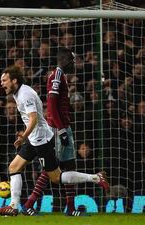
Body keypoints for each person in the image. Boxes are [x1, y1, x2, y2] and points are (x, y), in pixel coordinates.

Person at [0, 66, 109, 216]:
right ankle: (14, 206)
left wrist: (23, 136)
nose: (2, 83)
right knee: (13, 168)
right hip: (34, 139)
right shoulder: (18, 92)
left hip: (42, 140)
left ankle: (95, 178)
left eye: (4, 80)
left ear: (14, 80)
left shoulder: (24, 94)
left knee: (56, 177)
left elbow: (34, 118)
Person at [22, 48, 97, 216]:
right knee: (51, 169)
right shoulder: (56, 75)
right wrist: (61, 129)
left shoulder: (62, 76)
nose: (74, 63)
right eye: (72, 59)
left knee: (69, 165)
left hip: (64, 127)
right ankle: (28, 205)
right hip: (57, 128)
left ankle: (70, 208)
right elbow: (51, 104)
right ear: (64, 60)